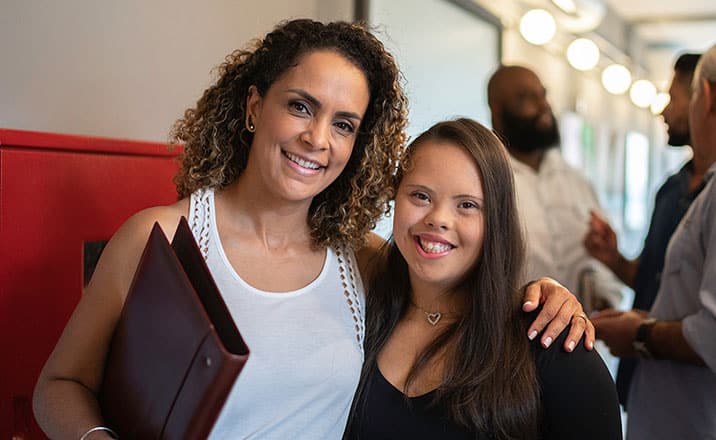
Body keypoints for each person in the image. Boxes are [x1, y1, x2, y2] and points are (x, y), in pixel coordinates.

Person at [32, 20, 592, 440]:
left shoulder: (362, 259)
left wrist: (544, 292)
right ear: (255, 107)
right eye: (301, 106)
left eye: (343, 124)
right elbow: (59, 385)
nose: (318, 139)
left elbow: (451, 271)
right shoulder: (158, 240)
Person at [347, 119, 621, 439]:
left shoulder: (550, 341)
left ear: (497, 220)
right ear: (396, 197)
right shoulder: (361, 309)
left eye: (467, 205)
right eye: (420, 196)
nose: (438, 219)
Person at [592, 44, 716, 439]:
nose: (663, 110)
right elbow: (660, 278)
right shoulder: (671, 190)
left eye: (679, 97)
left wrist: (641, 334)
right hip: (658, 398)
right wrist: (613, 260)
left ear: (706, 98)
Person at [487, 65, 622, 313]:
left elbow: (599, 260)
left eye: (543, 95)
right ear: (497, 108)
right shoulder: (487, 181)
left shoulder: (576, 181)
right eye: (526, 98)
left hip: (579, 332)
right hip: (512, 333)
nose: (543, 106)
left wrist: (604, 297)